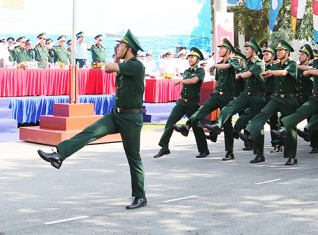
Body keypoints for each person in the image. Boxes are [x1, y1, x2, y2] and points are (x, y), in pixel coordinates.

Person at [37, 29, 148, 210]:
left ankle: (140, 196)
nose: (117, 48)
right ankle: (59, 154)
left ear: (129, 49)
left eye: (120, 46)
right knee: (90, 132)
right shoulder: (125, 66)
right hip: (117, 114)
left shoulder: (136, 65)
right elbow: (110, 69)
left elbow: (109, 67)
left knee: (133, 157)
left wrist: (116, 58)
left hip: (131, 118)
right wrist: (118, 56)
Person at [277, 34, 318, 167]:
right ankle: (284, 128)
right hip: (316, 99)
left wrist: (311, 72)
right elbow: (311, 70)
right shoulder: (316, 63)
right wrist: (310, 71)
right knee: (300, 112)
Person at [204, 38, 266, 163]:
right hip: (246, 94)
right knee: (229, 107)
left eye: (247, 49)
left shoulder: (259, 63)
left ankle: (259, 154)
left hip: (258, 97)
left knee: (257, 126)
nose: (245, 51)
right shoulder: (247, 63)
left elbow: (246, 75)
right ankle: (218, 125)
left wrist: (235, 75)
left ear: (253, 51)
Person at [241, 40, 299, 165]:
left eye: (280, 50)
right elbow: (265, 74)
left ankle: (291, 156)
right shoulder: (275, 66)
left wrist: (271, 72)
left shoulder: (292, 64)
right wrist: (263, 73)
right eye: (277, 51)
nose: (278, 52)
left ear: (287, 52)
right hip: (276, 98)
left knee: (290, 127)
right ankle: (250, 133)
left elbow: (284, 73)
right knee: (262, 114)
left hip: (289, 99)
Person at [186, 38, 238, 161]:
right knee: (198, 116)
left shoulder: (233, 61)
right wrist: (214, 93)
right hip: (216, 95)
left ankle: (229, 152)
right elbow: (217, 81)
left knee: (227, 124)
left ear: (228, 50)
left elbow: (228, 66)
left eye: (222, 48)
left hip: (228, 96)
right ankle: (202, 147)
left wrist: (215, 65)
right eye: (219, 48)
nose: (220, 50)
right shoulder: (219, 65)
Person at [154, 47, 206, 158]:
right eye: (189, 57)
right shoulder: (186, 71)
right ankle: (164, 147)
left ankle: (203, 150)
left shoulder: (200, 71)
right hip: (182, 102)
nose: (190, 59)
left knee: (196, 126)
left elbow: (194, 81)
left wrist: (181, 81)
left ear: (197, 60)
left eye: (193, 57)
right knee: (170, 122)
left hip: (193, 103)